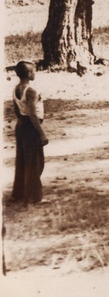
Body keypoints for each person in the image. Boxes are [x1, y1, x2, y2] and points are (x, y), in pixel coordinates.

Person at [10, 61, 48, 205]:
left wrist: (22, 124)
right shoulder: (31, 91)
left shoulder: (16, 89)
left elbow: (16, 110)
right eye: (33, 71)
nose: (34, 73)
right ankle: (34, 196)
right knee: (35, 162)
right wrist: (42, 134)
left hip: (21, 126)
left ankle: (18, 194)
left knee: (22, 160)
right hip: (31, 127)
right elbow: (33, 114)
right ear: (28, 74)